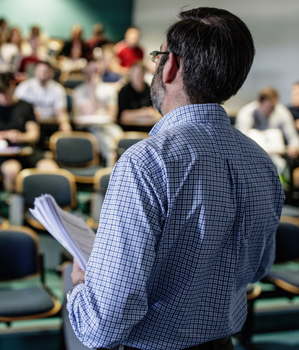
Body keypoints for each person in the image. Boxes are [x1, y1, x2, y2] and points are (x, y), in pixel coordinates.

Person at [68, 7, 284, 350]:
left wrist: (83, 284)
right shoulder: (262, 162)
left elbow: (102, 326)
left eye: (158, 56)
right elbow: (257, 268)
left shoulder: (146, 162)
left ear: (171, 65)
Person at [0, 72, 58, 191]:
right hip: (2, 155)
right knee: (12, 170)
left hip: (25, 151)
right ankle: (15, 205)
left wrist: (20, 137)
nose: (3, 97)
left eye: (6, 92)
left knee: (51, 168)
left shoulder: (25, 106)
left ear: (12, 86)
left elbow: (34, 134)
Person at [236, 87, 299, 173]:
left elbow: (294, 138)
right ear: (259, 102)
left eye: (273, 106)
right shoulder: (246, 113)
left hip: (277, 155)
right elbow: (240, 140)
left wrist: (294, 147)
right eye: (268, 106)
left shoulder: (282, 112)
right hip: (253, 157)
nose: (270, 110)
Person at [73, 59, 121, 164]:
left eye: (98, 70)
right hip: (89, 127)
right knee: (108, 145)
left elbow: (112, 114)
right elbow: (88, 113)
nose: (95, 73)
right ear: (87, 71)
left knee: (120, 138)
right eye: (93, 70)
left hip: (107, 126)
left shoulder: (110, 90)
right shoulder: (80, 91)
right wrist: (93, 91)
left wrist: (99, 110)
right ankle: (110, 169)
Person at [15, 60, 71, 135]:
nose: (43, 73)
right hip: (28, 124)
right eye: (41, 70)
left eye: (46, 71)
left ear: (52, 73)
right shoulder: (24, 87)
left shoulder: (58, 89)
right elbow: (16, 109)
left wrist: (65, 124)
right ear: (35, 71)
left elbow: (61, 112)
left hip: (50, 125)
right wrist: (31, 113)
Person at [117, 62, 161, 132]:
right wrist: (143, 112)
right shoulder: (125, 91)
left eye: (141, 74)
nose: (139, 77)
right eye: (136, 74)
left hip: (149, 128)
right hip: (130, 129)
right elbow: (123, 116)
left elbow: (157, 112)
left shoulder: (149, 89)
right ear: (131, 76)